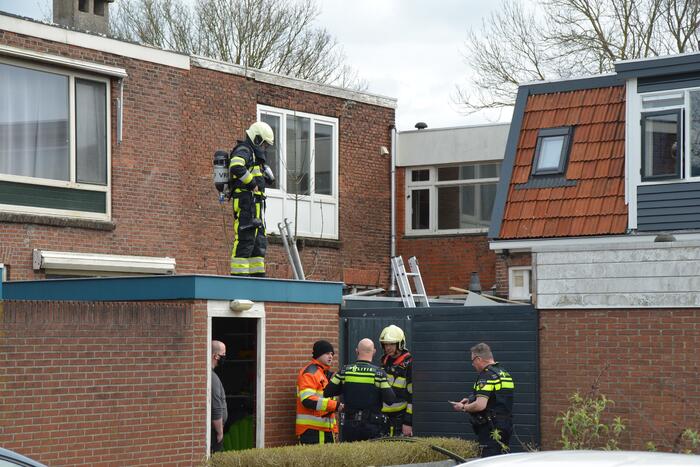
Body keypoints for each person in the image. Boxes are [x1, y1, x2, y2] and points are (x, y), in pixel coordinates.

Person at [324, 338, 396, 442]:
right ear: (374, 352)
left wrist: (345, 388)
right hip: (372, 426)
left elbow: (327, 392)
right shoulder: (378, 374)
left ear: (357, 351)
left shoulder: (344, 371)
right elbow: (390, 400)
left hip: (349, 426)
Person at [451, 343, 515, 458]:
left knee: (489, 461)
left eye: (473, 361)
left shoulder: (486, 375)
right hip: (506, 426)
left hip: (491, 429)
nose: (472, 364)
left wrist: (463, 407)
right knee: (502, 459)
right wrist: (471, 399)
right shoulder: (504, 373)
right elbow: (496, 397)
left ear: (479, 359)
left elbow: (480, 405)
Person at [229, 121, 275, 277]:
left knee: (258, 242)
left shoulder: (255, 157)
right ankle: (239, 278)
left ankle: (258, 278)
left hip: (255, 205)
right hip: (245, 203)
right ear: (256, 139)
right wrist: (252, 183)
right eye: (263, 145)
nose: (264, 149)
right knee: (245, 239)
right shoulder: (244, 150)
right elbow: (236, 166)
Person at [295, 340, 342, 444]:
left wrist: (334, 429)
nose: (330, 356)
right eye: (327, 353)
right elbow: (307, 400)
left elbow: (328, 409)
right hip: (311, 432)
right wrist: (335, 405)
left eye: (332, 354)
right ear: (318, 354)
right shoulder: (310, 373)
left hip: (327, 430)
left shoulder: (325, 375)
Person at [379, 324, 413, 437]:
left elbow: (412, 397)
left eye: (391, 344)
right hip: (383, 416)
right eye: (385, 344)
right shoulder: (384, 361)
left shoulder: (409, 363)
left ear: (400, 344)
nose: (388, 347)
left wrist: (408, 422)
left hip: (401, 417)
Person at [210, 340, 228, 453]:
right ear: (216, 356)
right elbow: (216, 408)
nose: (225, 357)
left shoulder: (212, 375)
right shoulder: (212, 378)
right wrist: (220, 433)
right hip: (214, 433)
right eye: (223, 355)